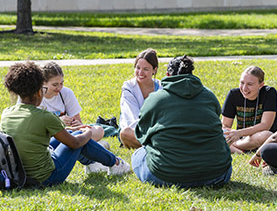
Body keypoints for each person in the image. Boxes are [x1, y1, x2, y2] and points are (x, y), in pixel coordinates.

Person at [0, 61, 130, 187]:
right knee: (79, 136)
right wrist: (88, 132)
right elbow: (75, 143)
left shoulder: (7, 113)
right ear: (39, 91)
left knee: (71, 133)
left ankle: (94, 164)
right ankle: (116, 163)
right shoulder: (44, 116)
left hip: (20, 174)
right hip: (47, 177)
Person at [132, 55, 232, 187]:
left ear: (167, 74)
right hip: (217, 174)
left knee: (138, 155)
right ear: (191, 74)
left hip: (166, 175)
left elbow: (141, 134)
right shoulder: (209, 96)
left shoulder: (155, 99)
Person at [40, 62, 104, 142]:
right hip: (46, 137)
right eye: (55, 85)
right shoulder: (34, 97)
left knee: (98, 130)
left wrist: (77, 125)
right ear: (43, 83)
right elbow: (32, 129)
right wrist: (58, 122)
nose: (59, 88)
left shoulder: (66, 93)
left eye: (61, 83)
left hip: (68, 133)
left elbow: (78, 122)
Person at [222, 66, 277, 153]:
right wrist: (228, 133)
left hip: (262, 137)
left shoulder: (269, 93)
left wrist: (239, 133)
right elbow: (226, 126)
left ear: (261, 85)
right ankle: (239, 149)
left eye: (250, 84)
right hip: (243, 139)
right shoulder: (233, 95)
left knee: (266, 135)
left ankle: (233, 148)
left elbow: (265, 125)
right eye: (242, 83)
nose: (244, 88)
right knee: (217, 134)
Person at [119, 48, 162, 149]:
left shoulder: (162, 88)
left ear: (154, 70)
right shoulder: (128, 88)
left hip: (157, 131)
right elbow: (131, 119)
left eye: (145, 69)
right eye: (138, 68)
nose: (140, 73)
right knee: (125, 133)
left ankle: (154, 145)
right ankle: (156, 146)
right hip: (135, 131)